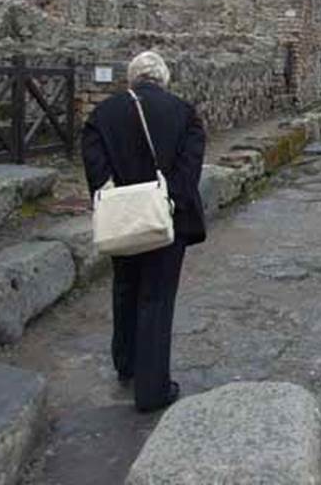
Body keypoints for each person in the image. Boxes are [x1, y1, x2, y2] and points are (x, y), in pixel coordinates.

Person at [81, 50, 206, 412]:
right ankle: (152, 390)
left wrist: (119, 199)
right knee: (157, 297)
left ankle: (127, 364)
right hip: (167, 220)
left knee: (125, 288)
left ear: (131, 79)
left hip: (123, 218)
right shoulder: (184, 113)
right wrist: (168, 204)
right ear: (164, 78)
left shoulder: (103, 114)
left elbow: (95, 170)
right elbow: (188, 173)